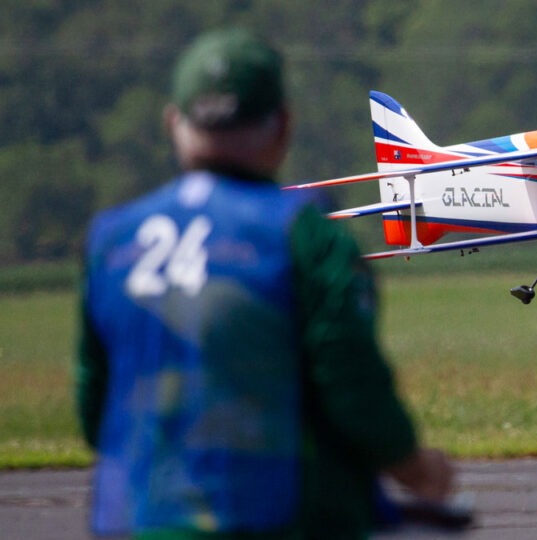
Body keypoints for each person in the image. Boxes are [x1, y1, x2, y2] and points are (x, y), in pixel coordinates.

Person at [76, 28, 455, 539]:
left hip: (140, 520)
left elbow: (94, 409)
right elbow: (352, 386)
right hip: (283, 520)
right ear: (282, 126)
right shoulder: (309, 237)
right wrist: (416, 467)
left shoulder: (110, 240)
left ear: (173, 123)